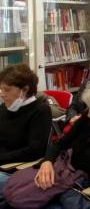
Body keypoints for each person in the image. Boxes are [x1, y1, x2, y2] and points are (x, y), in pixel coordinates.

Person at [0, 64, 52, 194]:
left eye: (6, 89)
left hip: (17, 169)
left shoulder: (40, 111)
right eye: (0, 89)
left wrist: (1, 157)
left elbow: (35, 151)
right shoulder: (5, 108)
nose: (1, 94)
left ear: (24, 90)